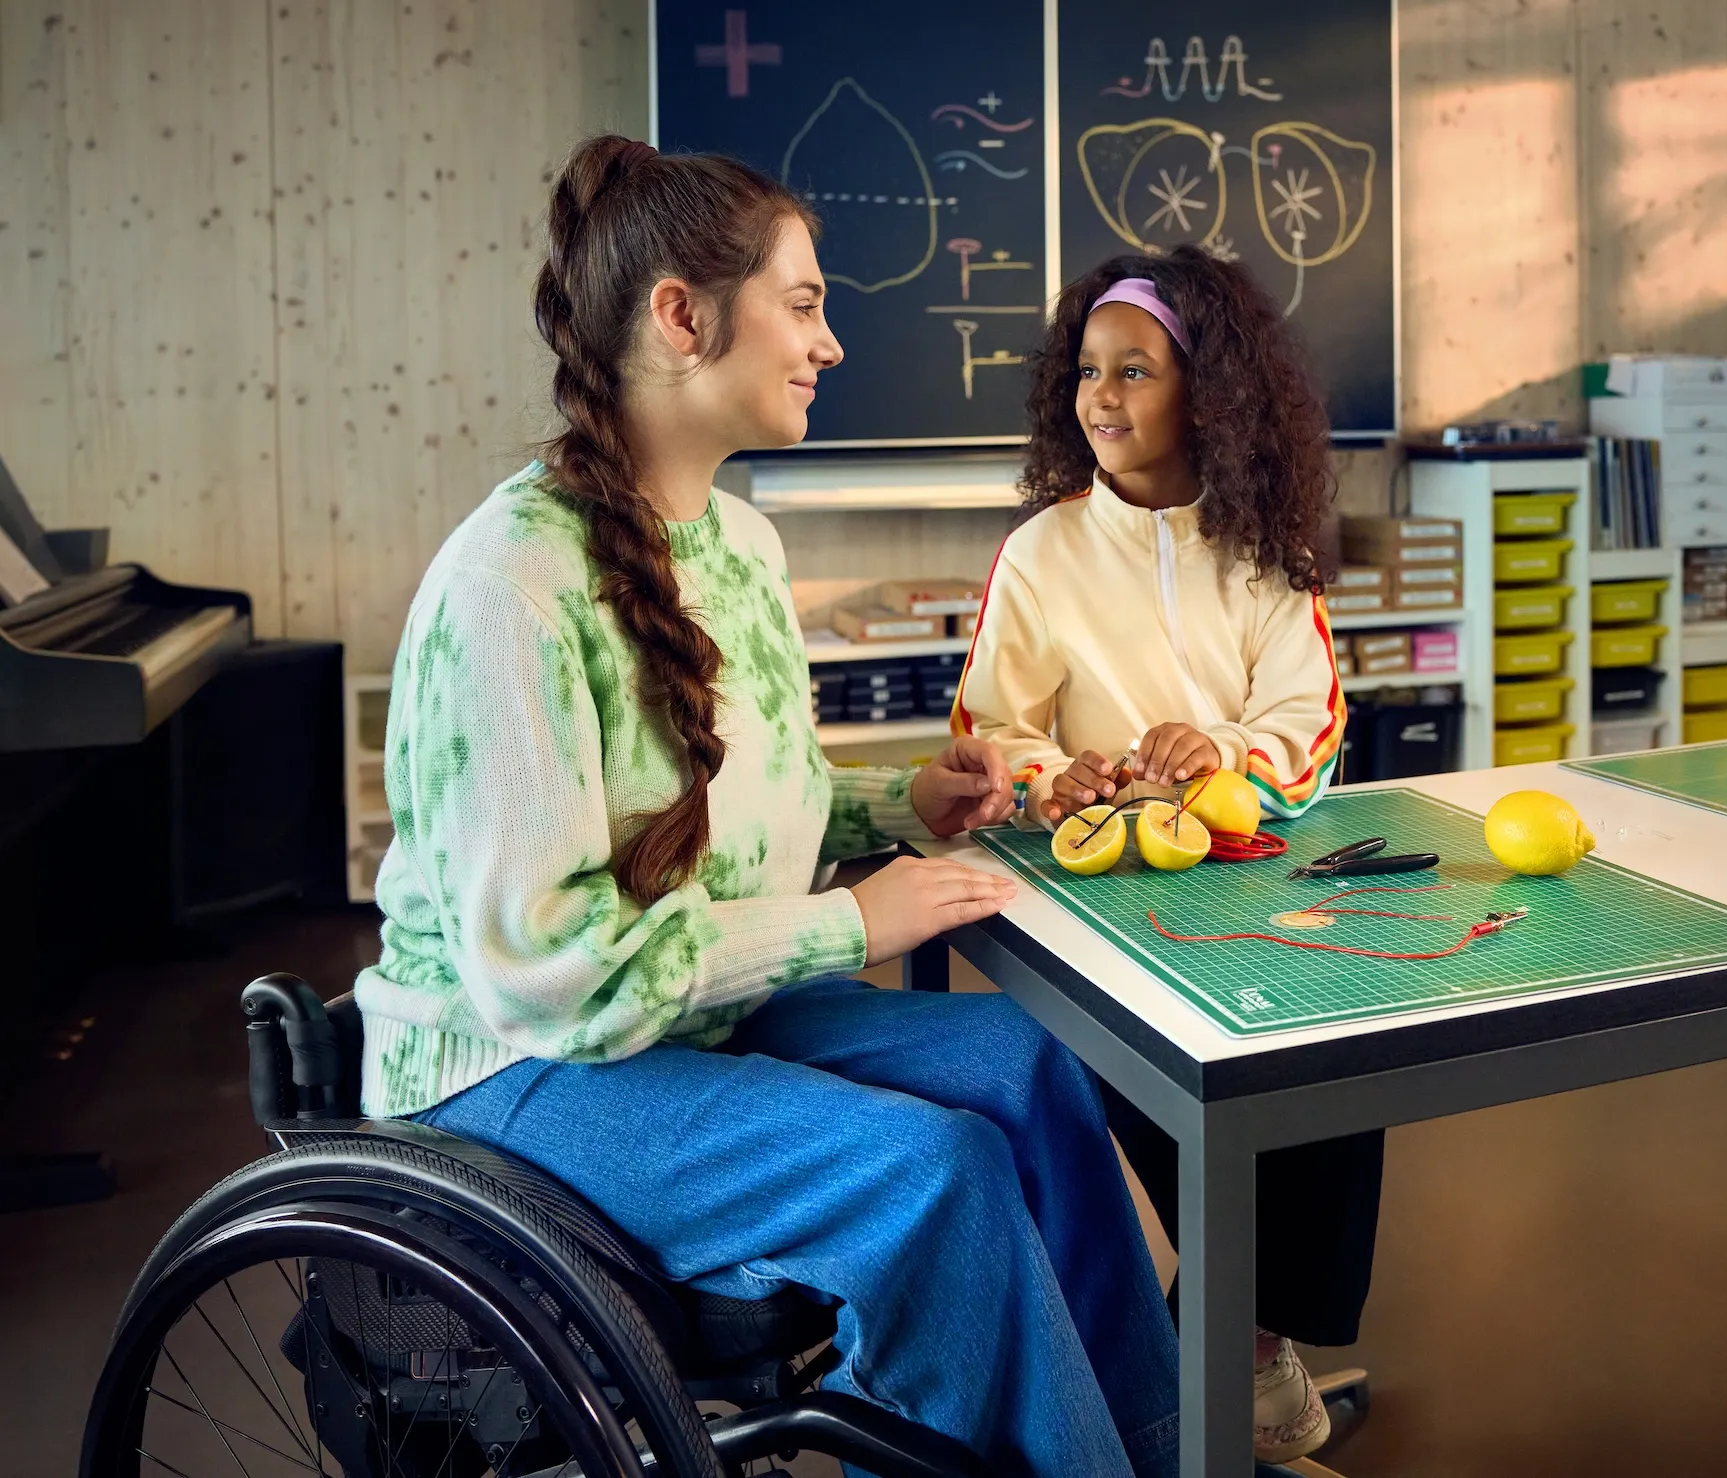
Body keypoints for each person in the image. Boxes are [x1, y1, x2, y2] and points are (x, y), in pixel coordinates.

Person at [355, 136, 1180, 1477]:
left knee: (1025, 1067)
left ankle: (1162, 1444)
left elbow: (735, 799)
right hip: (514, 1065)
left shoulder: (740, 544)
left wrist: (894, 800)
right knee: (935, 1173)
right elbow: (562, 981)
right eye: (803, 304)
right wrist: (854, 922)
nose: (832, 344)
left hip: (685, 1006)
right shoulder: (507, 584)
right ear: (682, 316)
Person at [950, 246, 1381, 1465]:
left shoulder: (1267, 554)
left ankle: (1238, 1347)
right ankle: (1232, 1372)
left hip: (1259, 881)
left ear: (1212, 394)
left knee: (1338, 1076)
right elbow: (993, 727)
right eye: (1086, 370)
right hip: (1106, 903)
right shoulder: (1040, 553)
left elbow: (1312, 727)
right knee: (1183, 1099)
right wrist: (1052, 775)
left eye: (1133, 370)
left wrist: (1223, 750)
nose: (1100, 395)